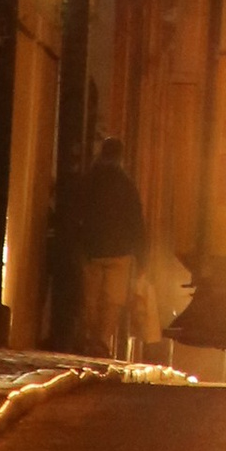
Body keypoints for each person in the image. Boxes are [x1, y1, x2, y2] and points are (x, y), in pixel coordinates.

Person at [60, 137, 149, 358]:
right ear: (120, 157)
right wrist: (141, 258)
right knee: (112, 301)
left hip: (93, 250)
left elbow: (75, 213)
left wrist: (75, 244)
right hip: (120, 253)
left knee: (90, 298)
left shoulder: (89, 181)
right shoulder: (127, 185)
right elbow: (136, 222)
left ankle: (91, 339)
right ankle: (101, 342)